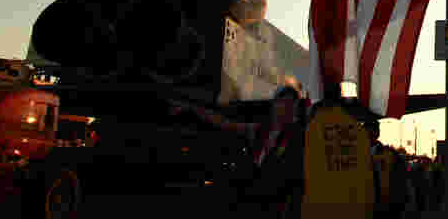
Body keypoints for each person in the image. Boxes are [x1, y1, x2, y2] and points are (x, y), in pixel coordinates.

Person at [169, 83, 307, 216]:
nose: (288, 108)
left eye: (292, 105)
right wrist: (192, 108)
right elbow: (222, 122)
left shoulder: (299, 136)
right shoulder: (259, 130)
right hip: (249, 201)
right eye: (284, 103)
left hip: (276, 205)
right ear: (275, 105)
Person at [300, 82, 374, 219]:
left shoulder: (312, 129)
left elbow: (302, 175)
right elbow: (369, 179)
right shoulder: (359, 131)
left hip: (321, 211)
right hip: (357, 211)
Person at [366, 118, 408, 219]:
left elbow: (400, 183)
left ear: (377, 133)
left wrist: (397, 208)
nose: (370, 133)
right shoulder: (355, 154)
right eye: (367, 130)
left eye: (373, 130)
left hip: (385, 208)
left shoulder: (390, 155)